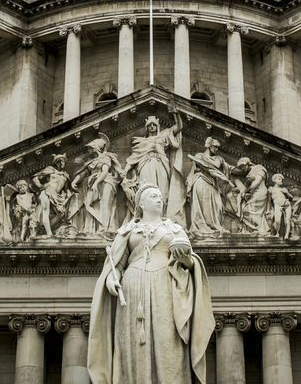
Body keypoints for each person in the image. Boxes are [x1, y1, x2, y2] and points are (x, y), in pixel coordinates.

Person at [88, 184, 214, 384]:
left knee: (168, 341)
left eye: (160, 196)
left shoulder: (174, 229)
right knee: (132, 344)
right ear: (141, 203)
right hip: (132, 290)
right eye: (153, 196)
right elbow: (117, 264)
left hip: (166, 286)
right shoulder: (127, 230)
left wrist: (186, 260)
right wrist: (112, 279)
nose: (159, 199)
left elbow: (189, 262)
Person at [124, 114, 186, 221]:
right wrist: (124, 172)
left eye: (154, 125)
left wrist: (175, 113)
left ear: (158, 127)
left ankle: (162, 217)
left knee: (163, 192)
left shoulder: (164, 135)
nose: (152, 127)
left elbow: (179, 126)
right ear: (146, 128)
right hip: (145, 165)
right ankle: (145, 218)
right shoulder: (140, 142)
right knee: (146, 191)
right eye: (149, 125)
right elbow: (133, 158)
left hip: (161, 165)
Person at [185, 137, 233, 236]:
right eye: (215, 147)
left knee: (218, 206)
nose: (217, 149)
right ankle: (203, 227)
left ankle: (215, 226)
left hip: (214, 185)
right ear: (209, 146)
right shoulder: (200, 156)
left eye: (218, 147)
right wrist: (212, 171)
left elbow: (230, 169)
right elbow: (202, 167)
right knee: (205, 206)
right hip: (202, 181)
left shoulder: (220, 159)